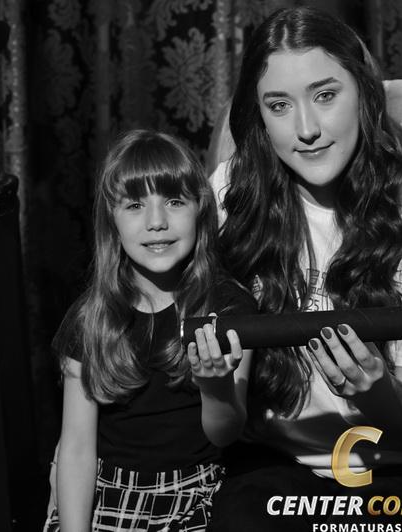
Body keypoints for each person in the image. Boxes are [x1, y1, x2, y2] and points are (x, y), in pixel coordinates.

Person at [210, 6, 402, 530]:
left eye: (325, 96)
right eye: (279, 105)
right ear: (258, 116)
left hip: (396, 475)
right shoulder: (230, 195)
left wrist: (374, 389)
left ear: (363, 95)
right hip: (274, 472)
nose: (307, 129)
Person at [43, 129, 256, 531]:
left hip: (196, 496)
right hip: (106, 493)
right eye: (135, 205)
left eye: (174, 202)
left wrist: (215, 387)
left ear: (200, 210)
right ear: (112, 221)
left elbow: (226, 434)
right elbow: (75, 448)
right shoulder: (90, 318)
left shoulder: (228, 308)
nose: (156, 222)